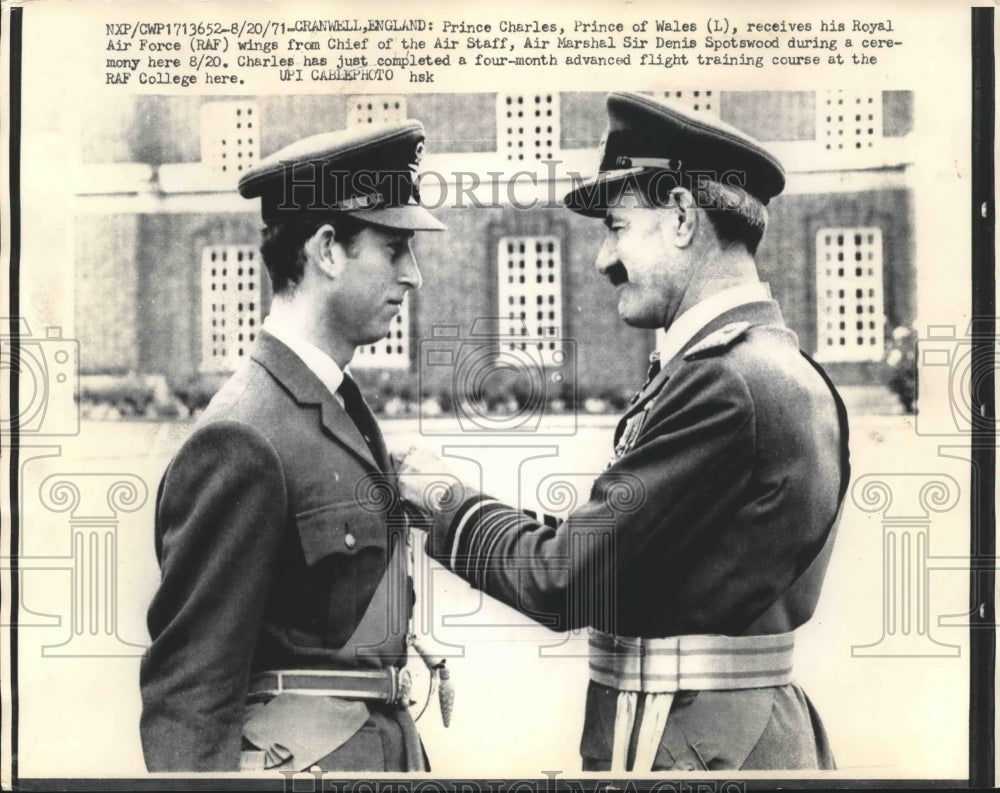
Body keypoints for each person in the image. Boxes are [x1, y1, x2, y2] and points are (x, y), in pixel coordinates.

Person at [397, 92, 850, 773]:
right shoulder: (782, 367)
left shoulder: (723, 383)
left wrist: (440, 499)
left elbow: (567, 582)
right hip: (730, 732)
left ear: (679, 215)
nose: (603, 260)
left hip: (694, 742)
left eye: (615, 226)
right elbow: (629, 552)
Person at [139, 120, 445, 773]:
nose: (412, 275)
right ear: (328, 248)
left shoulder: (333, 405)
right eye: (394, 249)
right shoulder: (244, 435)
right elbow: (190, 698)